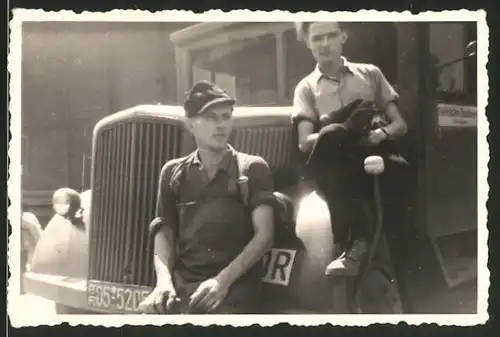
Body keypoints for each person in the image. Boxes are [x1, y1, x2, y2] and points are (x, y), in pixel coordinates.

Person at [139, 81, 275, 314]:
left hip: (234, 290)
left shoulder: (251, 168)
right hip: (184, 289)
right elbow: (164, 232)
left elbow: (265, 235)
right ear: (191, 125)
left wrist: (221, 282)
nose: (222, 125)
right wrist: (163, 282)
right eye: (212, 118)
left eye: (226, 117)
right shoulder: (173, 173)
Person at [292, 22, 408, 277]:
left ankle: (361, 247)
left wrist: (380, 134)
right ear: (307, 43)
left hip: (375, 152)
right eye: (317, 38)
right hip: (336, 159)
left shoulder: (370, 74)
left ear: (343, 36)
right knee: (333, 135)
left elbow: (401, 125)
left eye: (331, 35)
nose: (325, 44)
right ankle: (354, 245)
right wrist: (341, 128)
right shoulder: (306, 88)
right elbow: (303, 142)